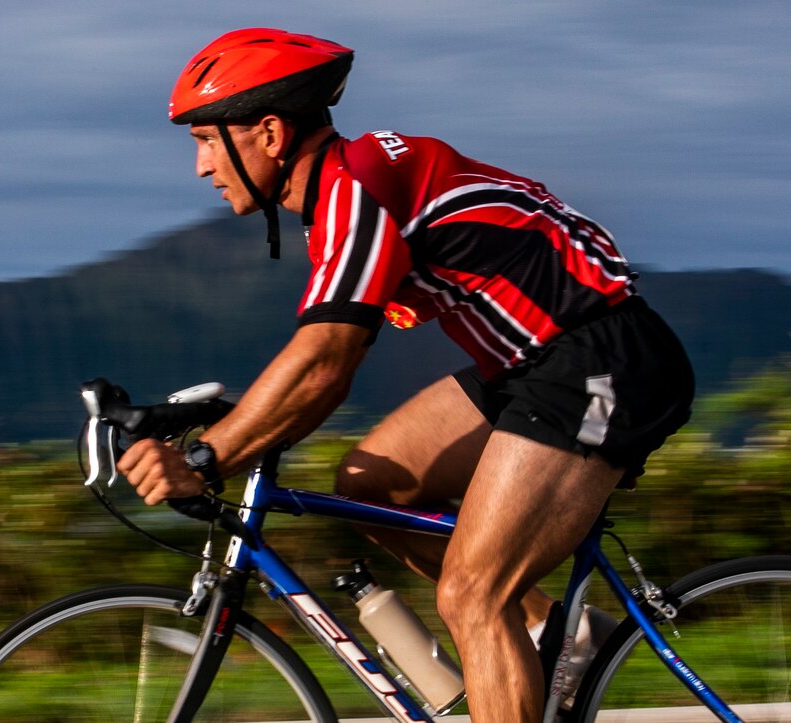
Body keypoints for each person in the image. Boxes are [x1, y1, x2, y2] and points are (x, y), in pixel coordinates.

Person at [118, 28, 694, 722]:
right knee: (371, 484)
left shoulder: (358, 187)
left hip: (598, 360)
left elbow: (326, 361)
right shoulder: (345, 190)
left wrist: (209, 460)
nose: (201, 165)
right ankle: (560, 635)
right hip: (532, 364)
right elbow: (318, 363)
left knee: (473, 595)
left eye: (208, 140)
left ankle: (514, 628)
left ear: (269, 133)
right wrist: (230, 425)